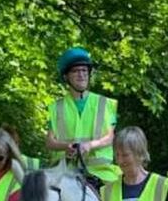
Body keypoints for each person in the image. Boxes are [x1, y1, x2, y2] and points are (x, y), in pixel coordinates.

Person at [46, 46, 121, 184]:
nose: (81, 74)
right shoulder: (56, 108)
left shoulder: (104, 103)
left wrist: (90, 145)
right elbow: (50, 142)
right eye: (75, 71)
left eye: (84, 70)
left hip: (101, 172)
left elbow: (110, 137)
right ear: (66, 77)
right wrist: (65, 146)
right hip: (65, 171)